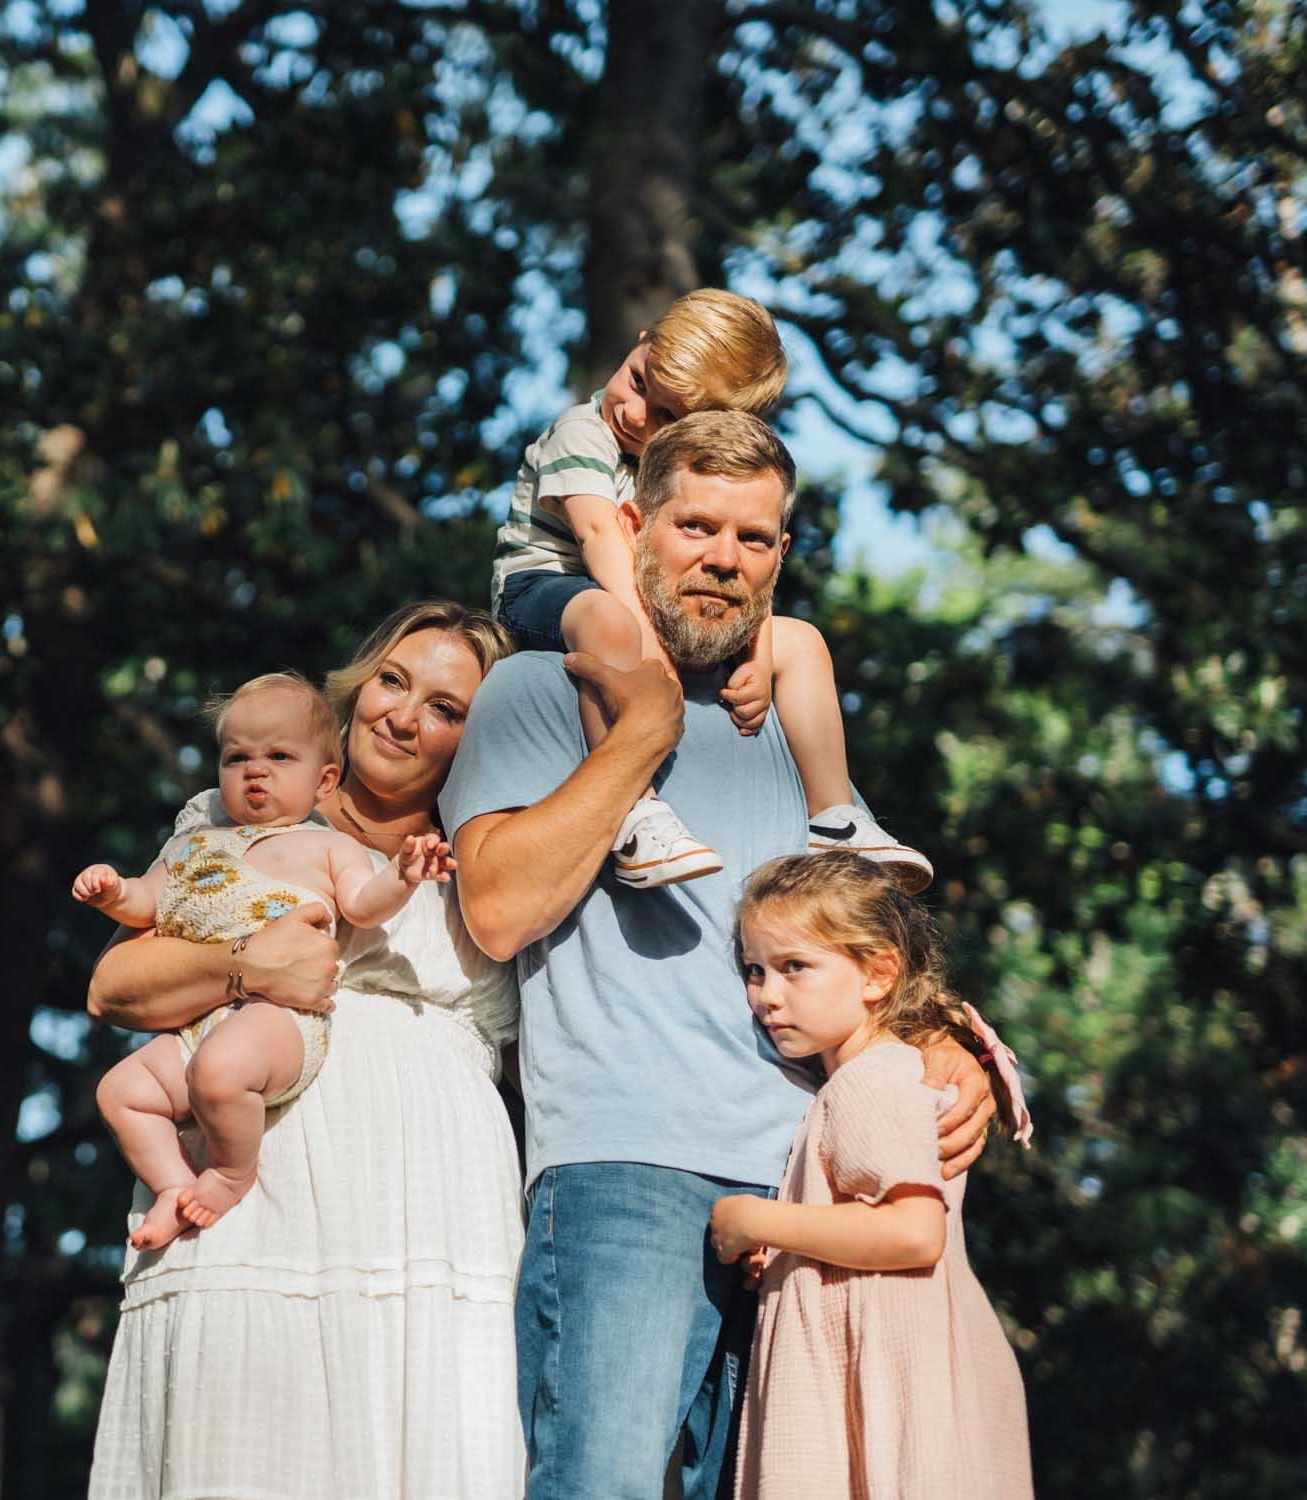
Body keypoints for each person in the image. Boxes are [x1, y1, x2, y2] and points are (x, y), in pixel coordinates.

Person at [440, 409, 1000, 1499]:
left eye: (754, 538)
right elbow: (498, 910)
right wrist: (644, 724)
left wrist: (952, 1047)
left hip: (814, 1187)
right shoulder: (539, 689)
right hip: (625, 1169)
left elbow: (859, 944)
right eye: (696, 527)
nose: (723, 560)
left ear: (783, 554)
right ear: (634, 526)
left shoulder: (792, 712)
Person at [86, 601, 527, 1500]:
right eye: (393, 683)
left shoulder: (495, 849)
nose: (404, 715)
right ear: (358, 688)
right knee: (238, 1442)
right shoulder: (232, 812)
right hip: (250, 1172)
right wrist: (249, 966)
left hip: (425, 1194)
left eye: (447, 708)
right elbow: (114, 989)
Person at [490, 288, 929, 891]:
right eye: (639, 382)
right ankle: (635, 813)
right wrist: (651, 648)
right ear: (641, 342)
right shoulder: (580, 432)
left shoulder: (683, 464)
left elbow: (748, 563)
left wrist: (761, 650)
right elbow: (599, 536)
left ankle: (835, 819)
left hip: (626, 592)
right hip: (543, 583)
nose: (638, 414)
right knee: (609, 624)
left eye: (669, 416)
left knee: (803, 642)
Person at [77, 672, 454, 1250]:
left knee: (220, 1071)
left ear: (324, 780)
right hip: (200, 1022)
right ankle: (173, 1187)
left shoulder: (327, 846)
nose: (256, 770)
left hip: (278, 1021)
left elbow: (363, 905)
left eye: (279, 756)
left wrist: (403, 876)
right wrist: (111, 891)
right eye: (237, 758)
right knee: (120, 1091)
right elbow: (145, 902)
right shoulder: (191, 844)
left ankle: (231, 1174)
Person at [710, 851, 1033, 1500]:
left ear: (878, 973)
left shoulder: (871, 1078)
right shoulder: (870, 1075)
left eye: (794, 967)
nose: (766, 995)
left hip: (888, 1371)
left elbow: (914, 1232)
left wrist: (750, 1219)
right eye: (754, 969)